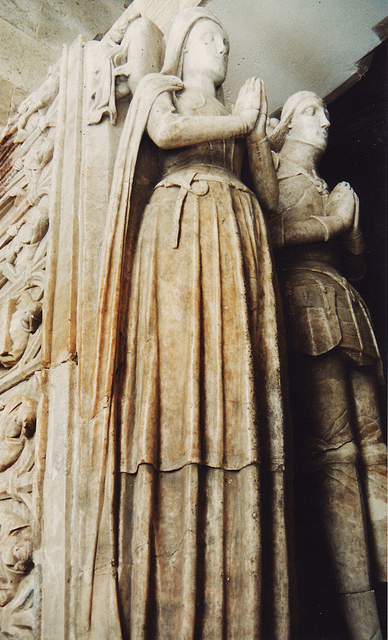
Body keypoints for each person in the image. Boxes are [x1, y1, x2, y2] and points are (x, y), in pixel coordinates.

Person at [76, 9, 292, 638]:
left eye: (225, 41)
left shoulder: (242, 114)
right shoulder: (160, 92)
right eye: (206, 36)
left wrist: (256, 136)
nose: (220, 47)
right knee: (176, 389)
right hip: (181, 231)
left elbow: (274, 202)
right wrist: (240, 121)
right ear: (179, 49)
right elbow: (167, 133)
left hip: (235, 230)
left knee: (238, 398)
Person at [268, 91, 387, 640]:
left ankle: (381, 586)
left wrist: (352, 228)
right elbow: (269, 237)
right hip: (306, 305)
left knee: (372, 451)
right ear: (289, 122)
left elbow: (357, 265)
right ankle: (357, 617)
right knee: (337, 458)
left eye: (326, 112)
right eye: (314, 112)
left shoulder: (325, 185)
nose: (327, 120)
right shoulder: (272, 172)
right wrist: (335, 224)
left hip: (343, 304)